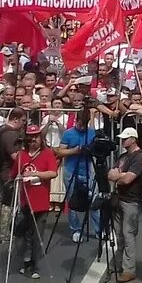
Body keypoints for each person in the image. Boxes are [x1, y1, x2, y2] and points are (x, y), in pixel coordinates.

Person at [10, 124, 58, 279]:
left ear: (40, 138)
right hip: (24, 200)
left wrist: (37, 174)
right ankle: (25, 259)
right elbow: (13, 174)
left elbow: (53, 173)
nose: (32, 141)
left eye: (35, 137)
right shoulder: (21, 155)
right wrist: (17, 177)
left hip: (41, 201)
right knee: (21, 232)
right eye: (30, 138)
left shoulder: (47, 153)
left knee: (37, 235)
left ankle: (35, 265)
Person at [106, 126, 142, 283]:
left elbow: (128, 178)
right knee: (119, 234)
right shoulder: (123, 156)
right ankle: (119, 263)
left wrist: (118, 176)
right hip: (120, 198)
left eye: (125, 138)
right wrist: (119, 176)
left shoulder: (139, 157)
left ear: (133, 139)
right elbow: (112, 174)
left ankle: (129, 269)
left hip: (131, 200)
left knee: (128, 234)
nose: (122, 141)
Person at [57, 104, 102, 243]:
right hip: (71, 169)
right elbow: (60, 151)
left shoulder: (92, 133)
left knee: (94, 199)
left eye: (84, 124)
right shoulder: (68, 133)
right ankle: (75, 229)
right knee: (72, 200)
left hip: (89, 169)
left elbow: (96, 149)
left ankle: (99, 229)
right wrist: (74, 150)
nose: (81, 127)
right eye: (79, 124)